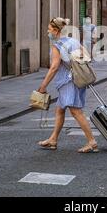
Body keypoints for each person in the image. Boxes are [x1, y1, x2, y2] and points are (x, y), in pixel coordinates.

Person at [37, 17, 99, 153]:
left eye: (49, 29)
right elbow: (86, 55)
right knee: (60, 109)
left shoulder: (57, 46)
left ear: (56, 30)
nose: (47, 32)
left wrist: (43, 86)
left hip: (68, 81)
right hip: (77, 79)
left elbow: (53, 68)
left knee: (76, 111)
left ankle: (92, 142)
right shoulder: (73, 41)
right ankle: (53, 139)